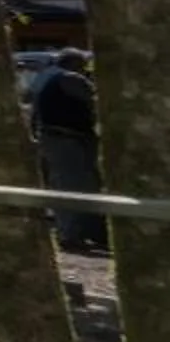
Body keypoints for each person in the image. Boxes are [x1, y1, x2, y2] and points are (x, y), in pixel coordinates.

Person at [31, 47, 108, 255]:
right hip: (67, 139)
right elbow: (95, 102)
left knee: (79, 185)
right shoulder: (69, 79)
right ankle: (70, 235)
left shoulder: (44, 78)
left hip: (53, 137)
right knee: (72, 186)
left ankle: (90, 233)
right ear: (75, 64)